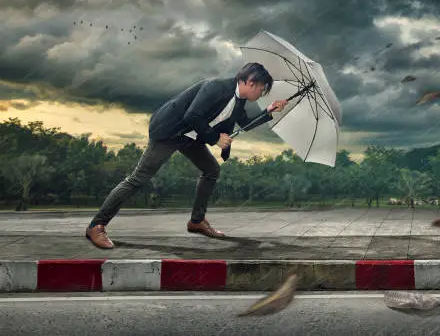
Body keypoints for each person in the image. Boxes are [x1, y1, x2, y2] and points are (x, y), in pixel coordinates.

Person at [85, 62, 288, 249]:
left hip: (191, 137)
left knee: (211, 170)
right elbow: (191, 115)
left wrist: (269, 111)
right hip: (169, 132)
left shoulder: (239, 101)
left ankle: (197, 221)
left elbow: (245, 124)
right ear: (251, 82)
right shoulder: (215, 87)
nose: (262, 94)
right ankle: (97, 225)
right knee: (138, 179)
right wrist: (216, 138)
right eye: (262, 89)